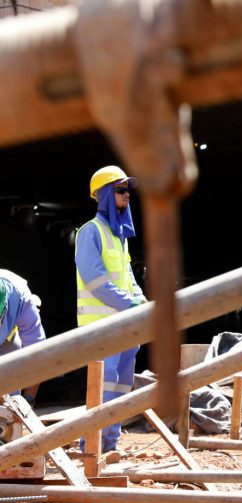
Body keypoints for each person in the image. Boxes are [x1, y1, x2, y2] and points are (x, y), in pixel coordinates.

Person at [75, 165, 147, 451]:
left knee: (121, 386)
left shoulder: (119, 238)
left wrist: (141, 300)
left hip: (126, 326)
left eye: (127, 190)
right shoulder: (89, 233)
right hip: (102, 327)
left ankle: (110, 443)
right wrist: (131, 304)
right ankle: (90, 446)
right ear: (105, 194)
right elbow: (97, 282)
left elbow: (128, 278)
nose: (127, 195)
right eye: (120, 190)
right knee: (103, 386)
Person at [0, 269, 46, 402]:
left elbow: (37, 355)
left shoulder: (22, 301)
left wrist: (27, 401)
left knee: (12, 390)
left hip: (8, 339)